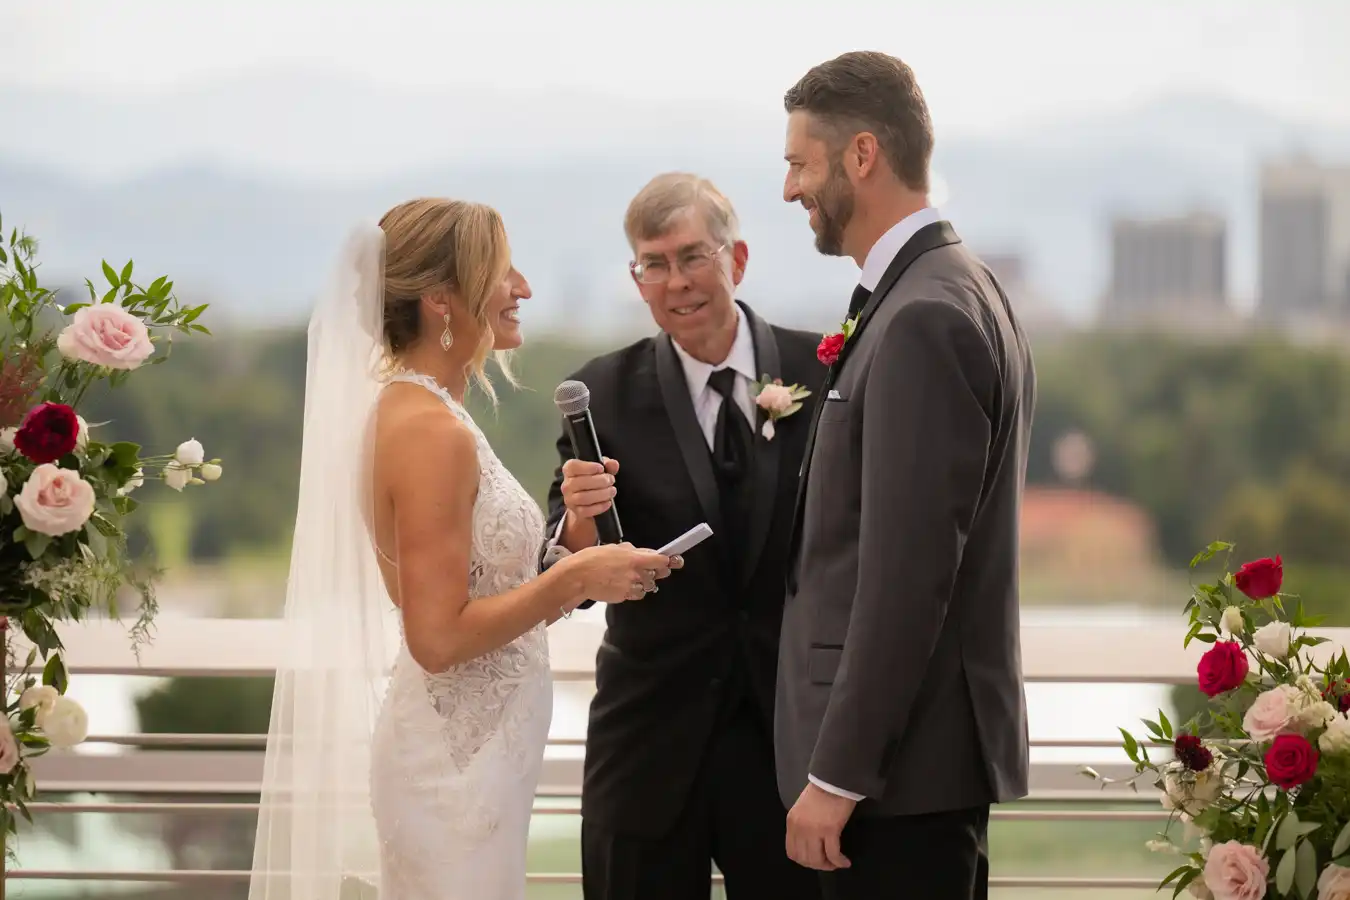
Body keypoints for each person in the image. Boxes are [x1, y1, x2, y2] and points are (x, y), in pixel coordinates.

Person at [248, 198, 681, 900]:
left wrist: (573, 530)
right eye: (502, 271)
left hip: (480, 755)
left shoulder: (430, 413)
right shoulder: (427, 431)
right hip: (454, 767)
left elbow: (480, 584)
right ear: (441, 300)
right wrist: (578, 578)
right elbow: (439, 636)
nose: (523, 289)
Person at [773, 52, 1037, 900]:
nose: (788, 190)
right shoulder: (957, 288)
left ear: (861, 156)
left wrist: (838, 777)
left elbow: (908, 575)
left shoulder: (923, 315)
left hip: (896, 787)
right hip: (914, 779)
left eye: (798, 163)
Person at [542, 173, 824, 900]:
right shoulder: (600, 393)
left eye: (693, 257)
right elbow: (564, 571)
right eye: (654, 264)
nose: (677, 282)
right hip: (646, 750)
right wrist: (579, 517)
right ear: (637, 281)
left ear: (738, 259)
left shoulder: (825, 373)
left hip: (789, 748)